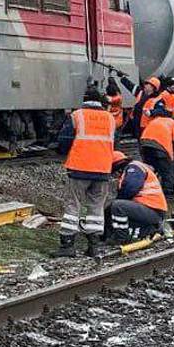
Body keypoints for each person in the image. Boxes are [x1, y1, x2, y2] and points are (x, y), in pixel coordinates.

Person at [55, 88, 116, 258]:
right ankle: (94, 246)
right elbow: (114, 142)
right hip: (103, 169)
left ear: (84, 99)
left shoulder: (77, 115)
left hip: (79, 167)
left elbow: (64, 140)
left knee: (73, 205)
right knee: (96, 207)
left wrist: (64, 153)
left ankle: (67, 245)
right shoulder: (110, 118)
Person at [109, 150, 172, 241]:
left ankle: (121, 238)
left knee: (118, 206)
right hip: (150, 210)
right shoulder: (133, 169)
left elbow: (131, 188)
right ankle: (147, 230)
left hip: (153, 210)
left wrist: (119, 198)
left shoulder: (133, 168)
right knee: (116, 206)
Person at [139, 99, 174, 197]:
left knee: (150, 169)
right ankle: (168, 193)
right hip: (161, 147)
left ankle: (146, 189)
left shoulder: (156, 121)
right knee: (167, 170)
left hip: (144, 144)